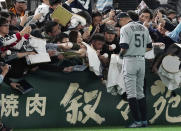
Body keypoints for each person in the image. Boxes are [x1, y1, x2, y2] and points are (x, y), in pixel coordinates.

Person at [118, 12, 152, 128]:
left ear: (123, 19)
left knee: (131, 93)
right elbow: (149, 46)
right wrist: (139, 52)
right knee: (140, 93)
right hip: (141, 61)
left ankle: (137, 121)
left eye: (119, 20)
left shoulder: (125, 28)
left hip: (130, 60)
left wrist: (120, 55)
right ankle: (144, 120)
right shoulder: (143, 27)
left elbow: (124, 47)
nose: (119, 23)